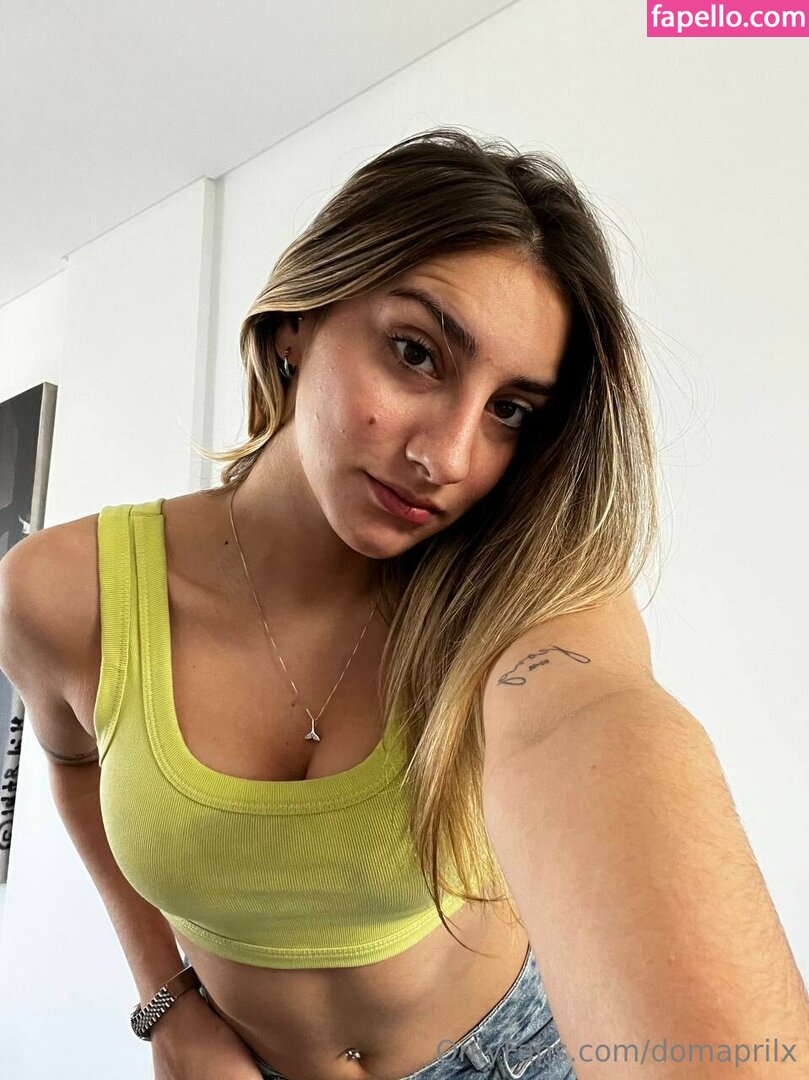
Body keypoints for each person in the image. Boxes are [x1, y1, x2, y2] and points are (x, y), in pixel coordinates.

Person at [1, 128, 806, 1080]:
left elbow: (595, 722)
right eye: (416, 354)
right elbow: (75, 765)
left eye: (509, 410)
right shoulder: (61, 593)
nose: (449, 457)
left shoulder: (526, 592)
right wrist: (165, 1002)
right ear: (297, 324)